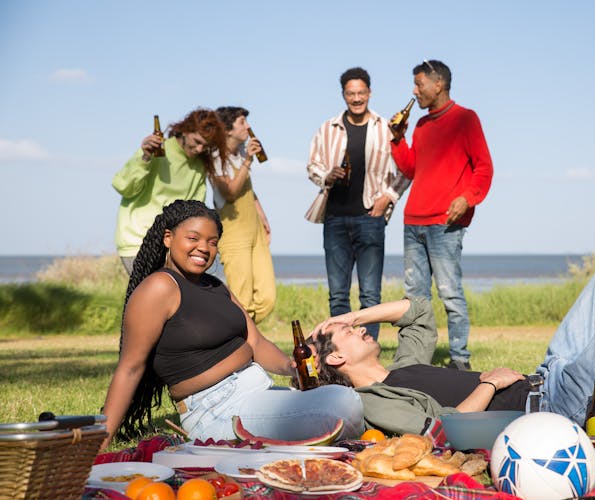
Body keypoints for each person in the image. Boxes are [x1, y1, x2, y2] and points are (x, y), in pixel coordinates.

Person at [309, 257, 595, 436]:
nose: (363, 331)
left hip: (552, 374)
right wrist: (487, 383)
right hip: (557, 408)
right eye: (350, 334)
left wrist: (354, 315)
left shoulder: (401, 365)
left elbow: (419, 311)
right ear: (336, 357)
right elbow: (441, 429)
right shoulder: (374, 401)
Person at [100, 200, 363, 450]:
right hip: (215, 409)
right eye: (193, 238)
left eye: (212, 242)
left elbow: (256, 342)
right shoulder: (159, 288)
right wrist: (100, 441)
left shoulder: (215, 287)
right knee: (342, 403)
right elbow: (130, 368)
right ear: (168, 238)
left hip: (258, 393)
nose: (204, 248)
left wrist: (290, 366)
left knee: (341, 396)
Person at [390, 60, 494, 370]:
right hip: (413, 221)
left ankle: (459, 359)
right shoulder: (420, 125)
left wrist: (468, 197)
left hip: (445, 223)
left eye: (419, 83)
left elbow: (484, 168)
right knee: (414, 298)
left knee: (450, 294)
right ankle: (414, 361)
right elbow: (411, 169)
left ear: (438, 84)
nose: (414, 89)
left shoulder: (466, 119)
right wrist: (398, 139)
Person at [306, 67, 410, 340]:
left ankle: (367, 349)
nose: (356, 98)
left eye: (360, 93)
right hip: (335, 218)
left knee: (370, 295)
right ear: (343, 95)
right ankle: (339, 350)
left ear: (370, 93)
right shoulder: (327, 128)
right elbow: (312, 166)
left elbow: (406, 168)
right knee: (338, 294)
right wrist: (327, 175)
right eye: (350, 93)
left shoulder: (386, 128)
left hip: (370, 218)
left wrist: (388, 197)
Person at [112, 109, 228, 275]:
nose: (199, 149)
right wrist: (145, 157)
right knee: (153, 297)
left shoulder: (199, 164)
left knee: (176, 299)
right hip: (139, 240)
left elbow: (194, 210)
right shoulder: (157, 149)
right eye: (196, 141)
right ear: (185, 131)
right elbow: (123, 186)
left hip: (173, 244)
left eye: (205, 146)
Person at [210, 106, 276, 323]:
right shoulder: (215, 157)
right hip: (233, 230)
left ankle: (238, 335)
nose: (248, 126)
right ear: (227, 129)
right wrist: (248, 160)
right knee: (243, 298)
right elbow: (229, 193)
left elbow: (248, 190)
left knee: (267, 298)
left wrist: (263, 218)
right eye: (242, 122)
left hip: (254, 228)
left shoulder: (239, 153)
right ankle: (241, 344)